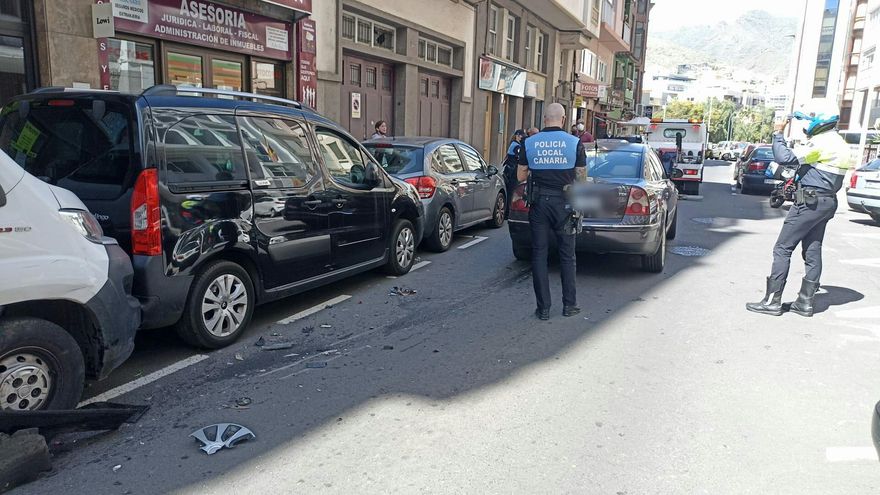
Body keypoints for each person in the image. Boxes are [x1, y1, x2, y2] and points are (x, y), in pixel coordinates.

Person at [746, 98, 853, 317]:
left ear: (820, 119)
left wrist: (778, 133)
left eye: (809, 119)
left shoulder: (823, 142)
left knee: (782, 248)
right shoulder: (840, 143)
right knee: (812, 250)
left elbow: (784, 157)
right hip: (826, 202)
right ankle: (805, 303)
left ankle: (772, 302)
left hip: (809, 202)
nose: (806, 125)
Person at [517, 103, 587, 320]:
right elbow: (581, 178)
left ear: (544, 118)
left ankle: (543, 309)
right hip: (565, 204)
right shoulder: (575, 143)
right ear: (563, 119)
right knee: (567, 255)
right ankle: (569, 305)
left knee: (539, 254)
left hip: (539, 204)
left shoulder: (529, 142)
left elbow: (520, 176)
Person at [502, 129, 527, 219]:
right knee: (511, 192)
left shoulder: (513, 144)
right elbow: (519, 158)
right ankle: (507, 213)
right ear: (517, 136)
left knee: (510, 192)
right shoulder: (516, 146)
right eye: (521, 136)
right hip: (512, 173)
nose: (522, 138)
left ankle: (507, 212)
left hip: (510, 172)